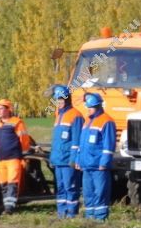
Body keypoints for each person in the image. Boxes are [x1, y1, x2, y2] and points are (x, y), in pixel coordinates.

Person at [76, 92, 116, 221]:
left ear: (98, 106)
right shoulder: (87, 121)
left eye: (90, 107)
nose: (88, 110)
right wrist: (78, 159)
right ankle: (89, 218)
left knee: (100, 192)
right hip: (86, 164)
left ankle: (100, 218)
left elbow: (108, 144)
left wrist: (104, 162)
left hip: (99, 166)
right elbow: (81, 144)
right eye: (87, 107)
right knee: (88, 193)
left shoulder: (107, 121)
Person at [49, 85, 84, 218]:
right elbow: (56, 141)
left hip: (68, 160)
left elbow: (77, 141)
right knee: (61, 187)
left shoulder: (76, 116)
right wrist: (53, 158)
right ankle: (61, 213)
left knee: (71, 187)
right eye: (57, 100)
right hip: (58, 160)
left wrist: (74, 159)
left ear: (68, 99)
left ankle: (72, 213)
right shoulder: (59, 116)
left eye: (61, 99)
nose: (59, 102)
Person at [0, 99, 32, 214]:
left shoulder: (17, 122)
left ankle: (10, 208)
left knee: (12, 183)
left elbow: (24, 140)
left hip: (13, 158)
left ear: (8, 109)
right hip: (0, 159)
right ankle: (6, 205)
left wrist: (25, 155)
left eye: (1, 109)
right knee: (3, 184)